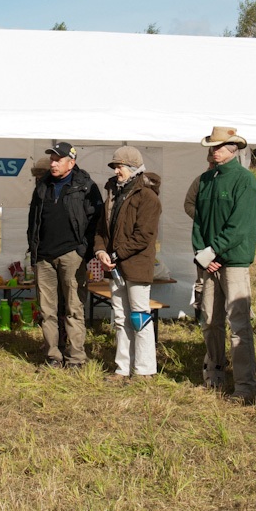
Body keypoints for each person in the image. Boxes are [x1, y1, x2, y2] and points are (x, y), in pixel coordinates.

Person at [192, 126, 256, 400]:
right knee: (209, 320)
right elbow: (197, 221)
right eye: (212, 146)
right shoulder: (206, 179)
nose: (212, 150)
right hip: (209, 262)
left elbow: (240, 226)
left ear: (233, 149)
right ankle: (214, 376)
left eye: (217, 146)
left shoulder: (246, 181)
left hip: (233, 263)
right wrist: (202, 253)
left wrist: (212, 253)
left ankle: (244, 386)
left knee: (239, 324)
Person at [28, 142, 102, 368]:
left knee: (73, 308)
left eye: (57, 159)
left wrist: (82, 252)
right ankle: (53, 356)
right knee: (47, 310)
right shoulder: (42, 185)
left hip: (72, 256)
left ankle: (76, 357)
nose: (53, 163)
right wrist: (35, 252)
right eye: (51, 159)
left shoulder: (86, 186)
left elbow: (96, 222)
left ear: (71, 162)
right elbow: (33, 220)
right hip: (44, 257)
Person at [94, 146, 162, 380]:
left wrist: (115, 254)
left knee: (139, 318)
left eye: (119, 166)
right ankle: (122, 369)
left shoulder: (148, 197)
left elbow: (144, 236)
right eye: (114, 166)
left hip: (136, 266)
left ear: (133, 168)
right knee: (121, 319)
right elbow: (102, 228)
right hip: (115, 266)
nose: (116, 170)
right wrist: (101, 250)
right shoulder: (113, 193)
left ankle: (144, 370)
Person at [184, 149, 216, 323]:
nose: (212, 166)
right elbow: (188, 204)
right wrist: (202, 218)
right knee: (202, 280)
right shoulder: (200, 181)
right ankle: (199, 317)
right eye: (210, 163)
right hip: (203, 239)